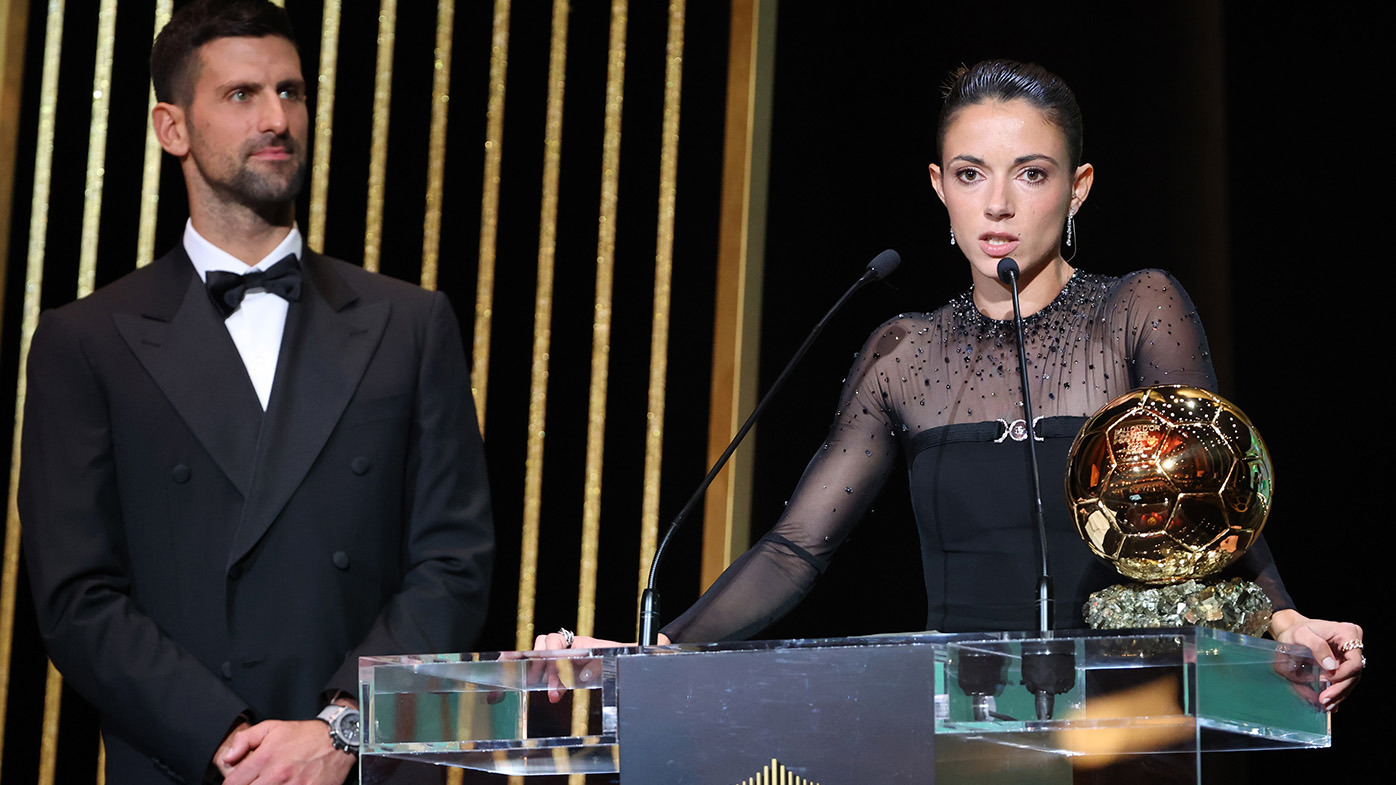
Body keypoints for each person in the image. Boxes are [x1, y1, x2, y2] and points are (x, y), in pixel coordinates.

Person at [538, 59, 1363, 709]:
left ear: (1077, 188)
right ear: (940, 187)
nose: (997, 202)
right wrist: (658, 653)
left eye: (1031, 173)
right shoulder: (903, 350)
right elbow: (798, 547)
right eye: (971, 174)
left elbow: (1215, 505)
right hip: (963, 720)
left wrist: (1286, 621)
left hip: (1126, 718)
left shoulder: (1136, 311)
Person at [17, 1, 493, 783]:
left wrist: (342, 729)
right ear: (172, 128)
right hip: (189, 762)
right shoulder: (85, 342)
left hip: (371, 764)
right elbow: (77, 597)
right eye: (242, 95)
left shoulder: (411, 323)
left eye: (292, 92)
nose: (278, 117)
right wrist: (230, 739)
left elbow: (454, 563)